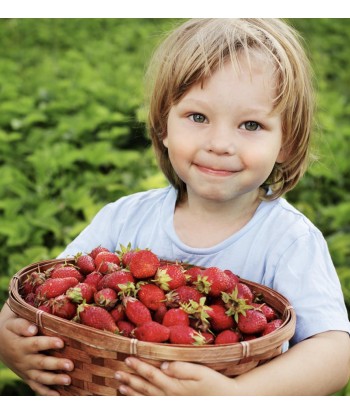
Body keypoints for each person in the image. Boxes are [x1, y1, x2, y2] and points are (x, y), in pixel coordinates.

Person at [0, 18, 349, 396]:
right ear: (163, 125)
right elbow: (44, 295)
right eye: (198, 117)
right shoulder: (124, 217)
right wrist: (8, 341)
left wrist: (236, 396)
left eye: (250, 125)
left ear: (287, 142)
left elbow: (335, 354)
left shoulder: (289, 240)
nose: (220, 143)